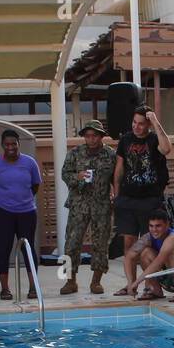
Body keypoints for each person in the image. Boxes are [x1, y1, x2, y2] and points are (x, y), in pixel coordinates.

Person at [0, 129, 42, 301]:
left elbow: (35, 185)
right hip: (3, 213)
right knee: (4, 248)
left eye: (13, 144)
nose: (11, 147)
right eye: (7, 144)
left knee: (28, 248)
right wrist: (5, 200)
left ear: (19, 144)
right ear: (2, 145)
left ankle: (33, 287)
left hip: (27, 212)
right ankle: (5, 289)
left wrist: (22, 199)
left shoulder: (30, 163)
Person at [60, 119, 115, 297]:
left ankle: (96, 281)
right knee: (71, 243)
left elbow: (117, 177)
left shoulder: (110, 155)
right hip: (79, 204)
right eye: (88, 136)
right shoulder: (75, 153)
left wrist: (116, 194)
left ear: (101, 137)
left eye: (95, 136)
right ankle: (70, 281)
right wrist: (78, 176)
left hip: (101, 205)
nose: (91, 139)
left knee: (101, 244)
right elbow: (64, 174)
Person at [113, 106, 173, 264]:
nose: (136, 126)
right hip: (127, 198)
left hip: (150, 200)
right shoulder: (125, 140)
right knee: (129, 244)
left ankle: (149, 285)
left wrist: (155, 120)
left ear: (148, 125)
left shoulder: (154, 139)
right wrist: (117, 195)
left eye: (141, 123)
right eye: (134, 122)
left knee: (149, 245)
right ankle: (131, 285)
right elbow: (119, 168)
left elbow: (166, 149)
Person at [120, 211, 174, 300]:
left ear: (167, 224)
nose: (154, 230)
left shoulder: (173, 237)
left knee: (170, 254)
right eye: (151, 226)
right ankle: (155, 290)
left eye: (158, 226)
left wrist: (137, 282)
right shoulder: (148, 237)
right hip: (166, 276)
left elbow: (159, 261)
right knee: (145, 252)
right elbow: (129, 257)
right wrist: (130, 282)